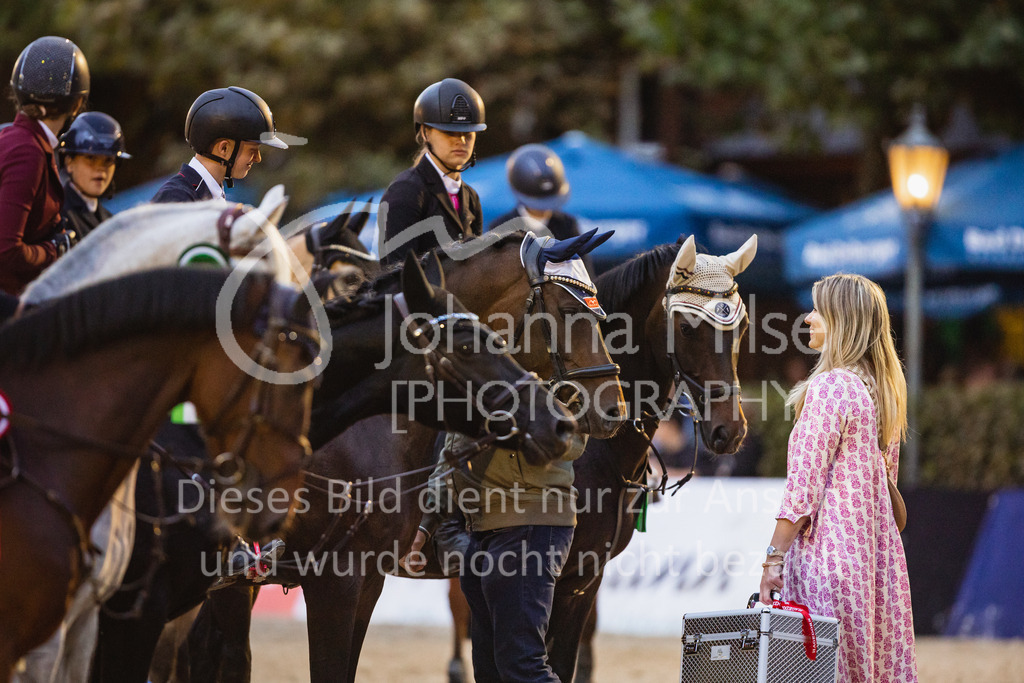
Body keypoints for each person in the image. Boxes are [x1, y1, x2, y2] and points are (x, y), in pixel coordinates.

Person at [759, 273, 918, 682]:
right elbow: (889, 503)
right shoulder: (881, 394)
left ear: (842, 321)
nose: (807, 318)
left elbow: (801, 493)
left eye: (817, 311)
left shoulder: (830, 387)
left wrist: (773, 559)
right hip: (878, 568)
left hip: (827, 565)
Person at [0, 36, 89, 295]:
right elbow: (6, 251)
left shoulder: (13, 137)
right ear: (76, 104)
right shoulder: (28, 151)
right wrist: (56, 250)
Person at [378, 78, 485, 265]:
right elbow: (395, 276)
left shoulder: (471, 198)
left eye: (468, 133)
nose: (461, 140)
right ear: (426, 133)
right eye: (449, 132)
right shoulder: (406, 191)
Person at [151, 86, 287, 203]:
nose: (258, 158)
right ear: (224, 148)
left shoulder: (207, 194)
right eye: (252, 150)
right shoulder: (177, 199)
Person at [58, 111, 131, 240]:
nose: (100, 169)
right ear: (69, 162)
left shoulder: (112, 222)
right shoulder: (55, 215)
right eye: (90, 158)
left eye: (108, 160)